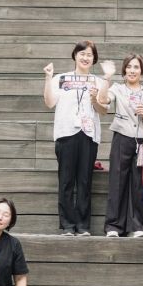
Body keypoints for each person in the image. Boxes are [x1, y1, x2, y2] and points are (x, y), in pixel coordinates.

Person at [43, 40, 106, 236]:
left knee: (85, 181)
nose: (85, 57)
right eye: (82, 53)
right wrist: (48, 78)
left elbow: (103, 110)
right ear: (75, 55)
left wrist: (95, 98)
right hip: (66, 133)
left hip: (88, 134)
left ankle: (83, 225)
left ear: (94, 59)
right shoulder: (61, 79)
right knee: (66, 181)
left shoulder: (98, 82)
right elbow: (49, 102)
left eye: (89, 55)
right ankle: (68, 225)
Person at [98, 54, 143, 237]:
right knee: (117, 181)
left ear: (142, 71)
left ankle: (137, 226)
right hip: (122, 137)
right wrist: (107, 77)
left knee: (138, 183)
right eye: (129, 67)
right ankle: (113, 226)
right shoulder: (117, 88)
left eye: (136, 67)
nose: (132, 70)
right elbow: (103, 100)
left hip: (142, 140)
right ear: (124, 71)